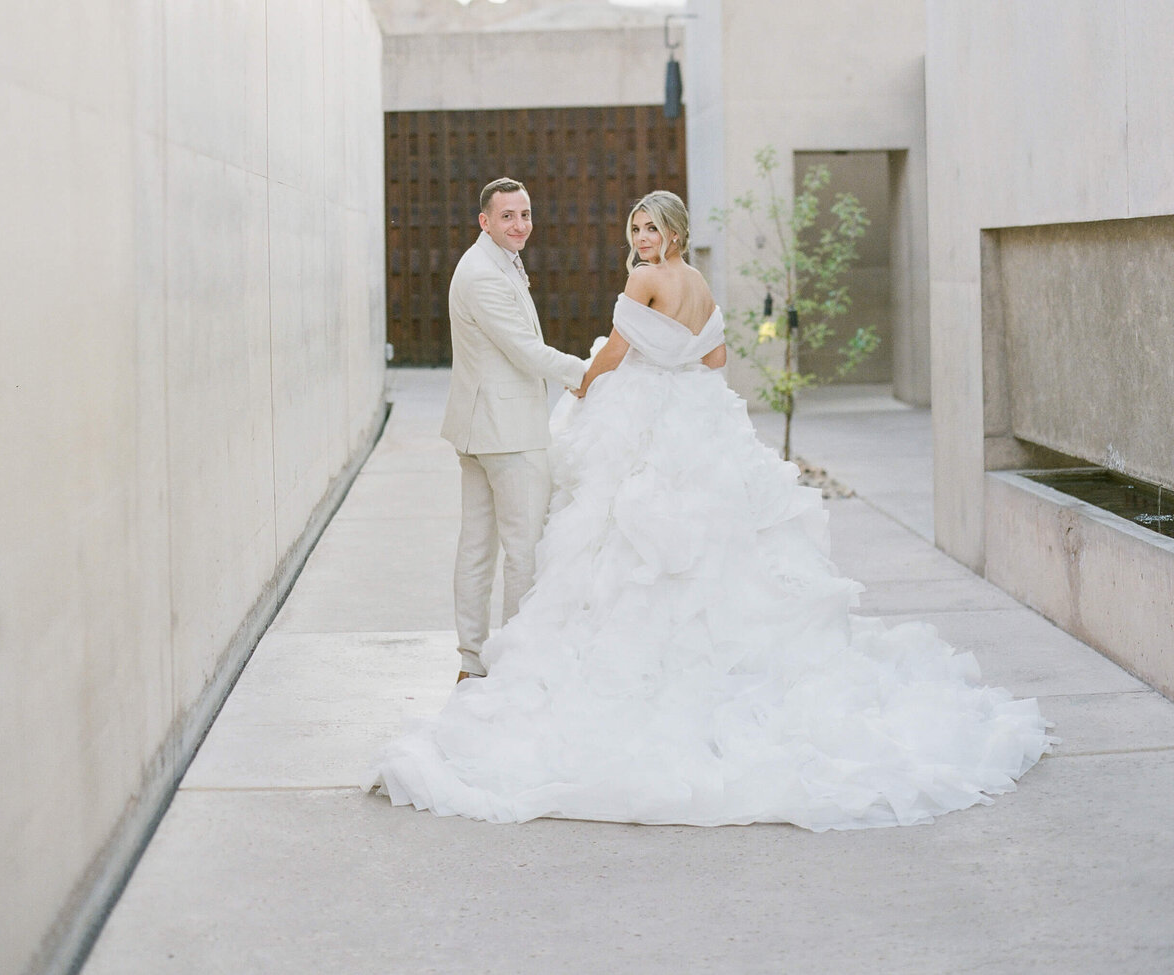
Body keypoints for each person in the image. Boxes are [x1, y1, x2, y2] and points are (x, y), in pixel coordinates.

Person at [374, 190, 1049, 829]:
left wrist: (586, 382)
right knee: (718, 546)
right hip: (697, 415)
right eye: (635, 228)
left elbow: (615, 350)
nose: (641, 239)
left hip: (644, 414)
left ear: (673, 232)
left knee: (619, 538)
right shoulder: (697, 283)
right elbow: (718, 355)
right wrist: (675, 360)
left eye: (650, 228)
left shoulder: (645, 280)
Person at [441, 177, 587, 686]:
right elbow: (524, 350)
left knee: (478, 547)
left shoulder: (493, 261)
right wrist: (587, 373)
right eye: (507, 216)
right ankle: (512, 667)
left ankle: (473, 662)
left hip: (483, 427)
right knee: (522, 548)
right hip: (506, 433)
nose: (520, 225)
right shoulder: (483, 274)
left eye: (525, 214)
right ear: (485, 221)